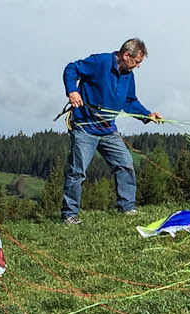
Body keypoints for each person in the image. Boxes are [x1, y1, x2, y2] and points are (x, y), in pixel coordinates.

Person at [59, 38, 163, 224]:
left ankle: (128, 208)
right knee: (77, 172)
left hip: (108, 130)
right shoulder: (100, 62)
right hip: (85, 127)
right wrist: (72, 91)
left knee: (125, 164)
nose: (138, 66)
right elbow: (71, 68)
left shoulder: (128, 75)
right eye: (137, 61)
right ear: (126, 55)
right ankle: (69, 215)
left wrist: (147, 115)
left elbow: (129, 101)